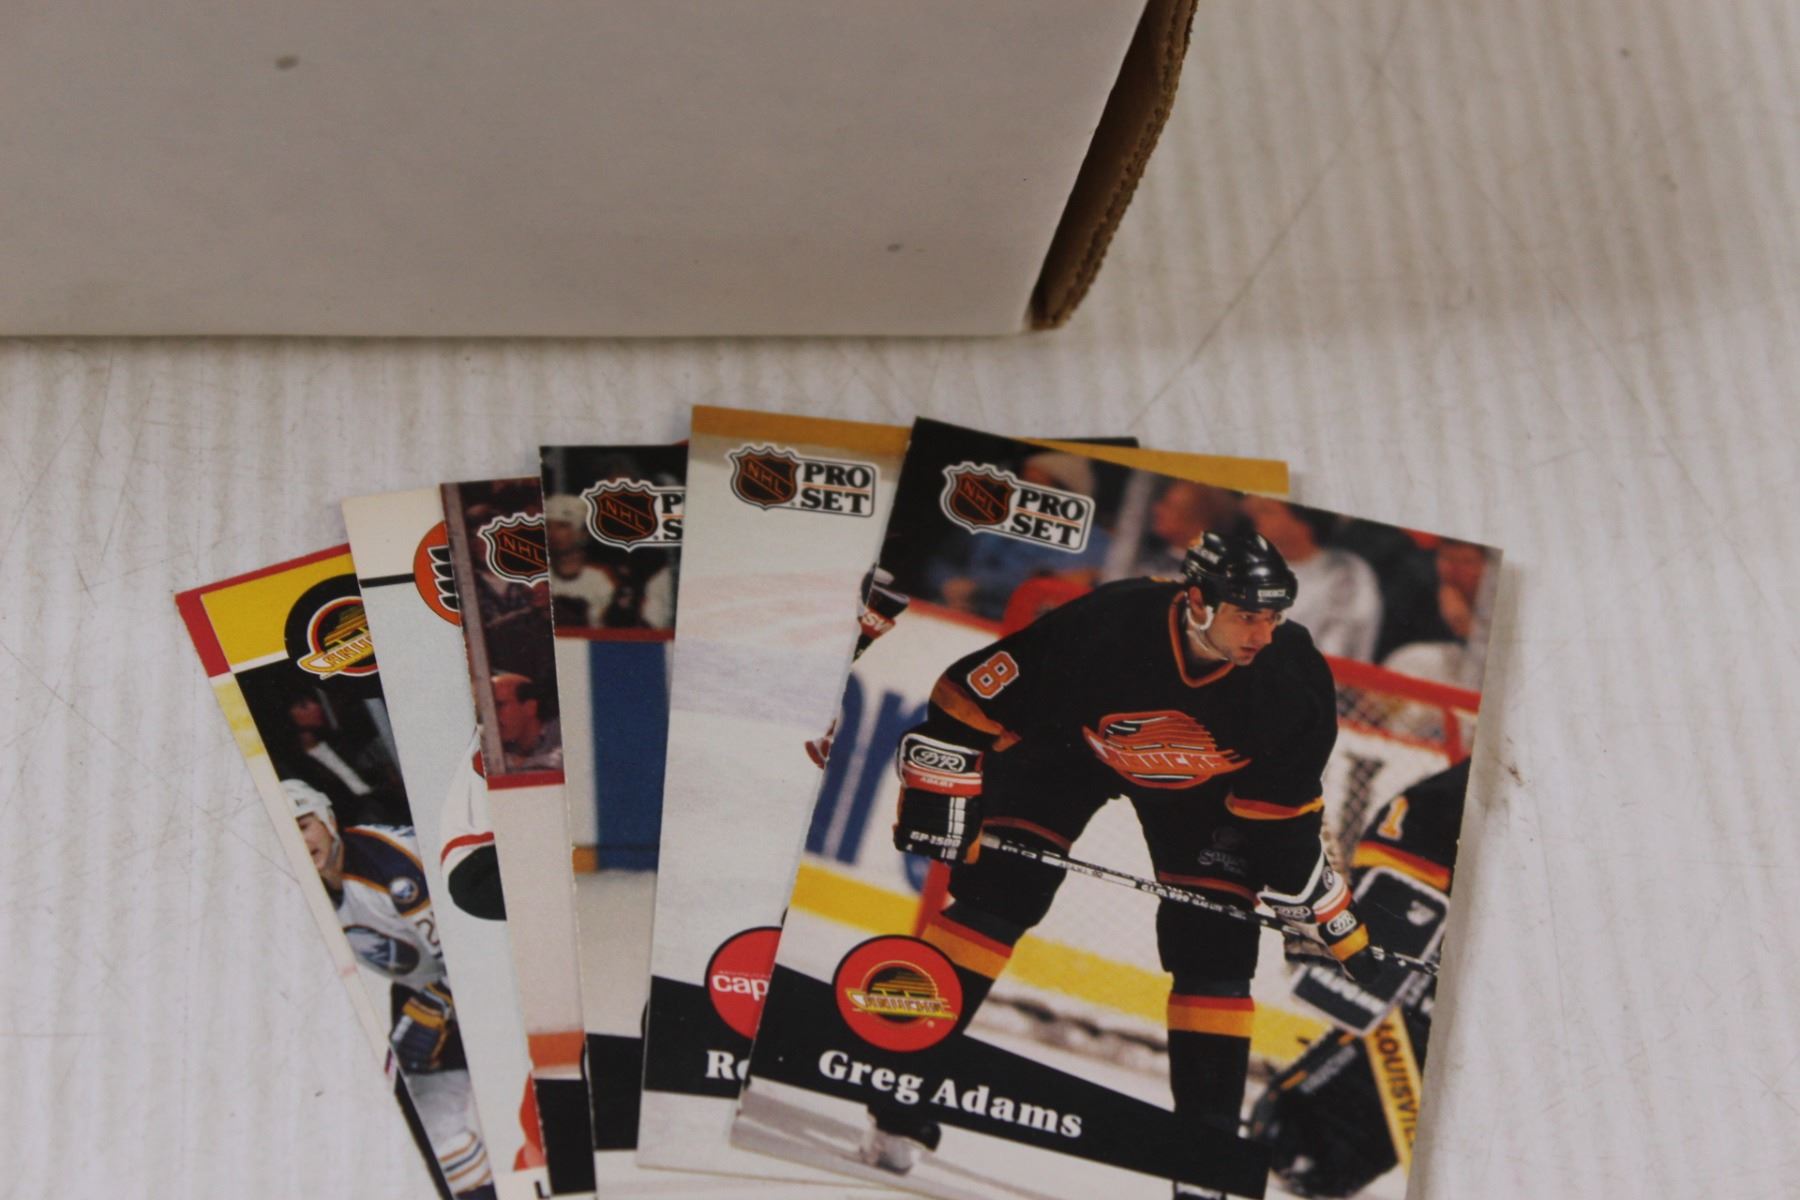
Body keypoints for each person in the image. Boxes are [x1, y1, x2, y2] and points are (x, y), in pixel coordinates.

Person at [874, 532, 1382, 1197]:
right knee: (1000, 894)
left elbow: (1281, 823)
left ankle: (1203, 1167)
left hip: (1201, 796)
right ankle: (900, 1079)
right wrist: (943, 780)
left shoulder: (1293, 678)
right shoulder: (1111, 619)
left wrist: (1322, 904)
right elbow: (968, 693)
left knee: (1216, 948)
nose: (1264, 633)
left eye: (1273, 616)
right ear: (1197, 601)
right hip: (1065, 752)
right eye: (1246, 615)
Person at [284, 779, 496, 1200]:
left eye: (304, 825)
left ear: (328, 820)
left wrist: (434, 1007)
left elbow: (471, 948)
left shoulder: (388, 865)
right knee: (435, 1130)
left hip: (486, 974)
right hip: (428, 987)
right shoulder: (299, 892)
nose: (298, 840)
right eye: (285, 830)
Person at [1241, 497, 1383, 662]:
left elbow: (1336, 652)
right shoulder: (1252, 564)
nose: (1253, 516)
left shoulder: (1347, 573)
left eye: (1267, 511)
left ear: (1302, 523)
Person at [491, 672, 561, 772]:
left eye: (499, 705)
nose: (493, 715)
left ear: (530, 707)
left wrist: (520, 763)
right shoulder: (497, 742)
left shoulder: (562, 730)